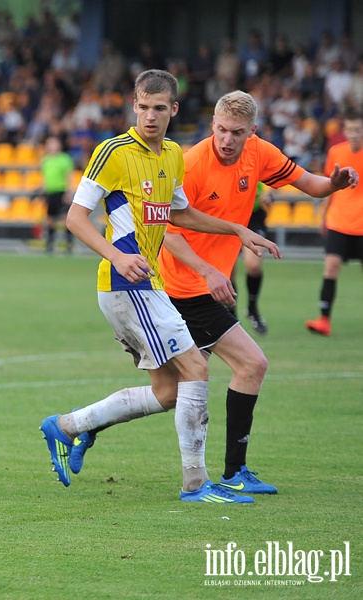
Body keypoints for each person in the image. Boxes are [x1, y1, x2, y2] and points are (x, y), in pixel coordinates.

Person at [39, 70, 279, 504]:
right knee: (197, 369)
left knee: (169, 392)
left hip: (149, 287)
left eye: (159, 108)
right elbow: (76, 217)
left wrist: (236, 230)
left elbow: (180, 215)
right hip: (123, 284)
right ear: (134, 105)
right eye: (143, 107)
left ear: (174, 109)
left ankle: (69, 425)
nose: (150, 116)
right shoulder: (112, 151)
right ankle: (196, 485)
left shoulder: (171, 155)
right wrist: (116, 255)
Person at [155, 91, 357, 496]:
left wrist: (333, 183)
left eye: (237, 133)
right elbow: (166, 230)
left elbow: (310, 184)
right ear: (212, 124)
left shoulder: (259, 153)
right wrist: (208, 270)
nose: (227, 140)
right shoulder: (191, 164)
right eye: (221, 130)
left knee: (167, 393)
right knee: (252, 364)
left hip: (211, 284)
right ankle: (229, 473)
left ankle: (76, 424)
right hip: (185, 285)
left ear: (253, 133)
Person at [306, 111, 363, 336]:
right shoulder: (336, 153)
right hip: (339, 221)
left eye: (358, 129)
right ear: (344, 131)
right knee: (330, 267)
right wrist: (324, 217)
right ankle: (324, 320)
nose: (354, 134)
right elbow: (330, 186)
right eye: (350, 129)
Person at [240, 181, 275, 334]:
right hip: (226, 214)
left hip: (254, 215)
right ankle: (230, 314)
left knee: (253, 265)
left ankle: (252, 307)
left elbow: (277, 174)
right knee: (226, 271)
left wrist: (269, 194)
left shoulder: (255, 157)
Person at [37, 135, 76, 254]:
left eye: (53, 143)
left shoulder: (65, 159)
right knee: (49, 219)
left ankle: (68, 245)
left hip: (61, 191)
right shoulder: (45, 160)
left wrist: (68, 192)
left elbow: (69, 176)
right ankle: (50, 245)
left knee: (65, 219)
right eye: (49, 143)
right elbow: (44, 177)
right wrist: (42, 192)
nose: (51, 146)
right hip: (50, 193)